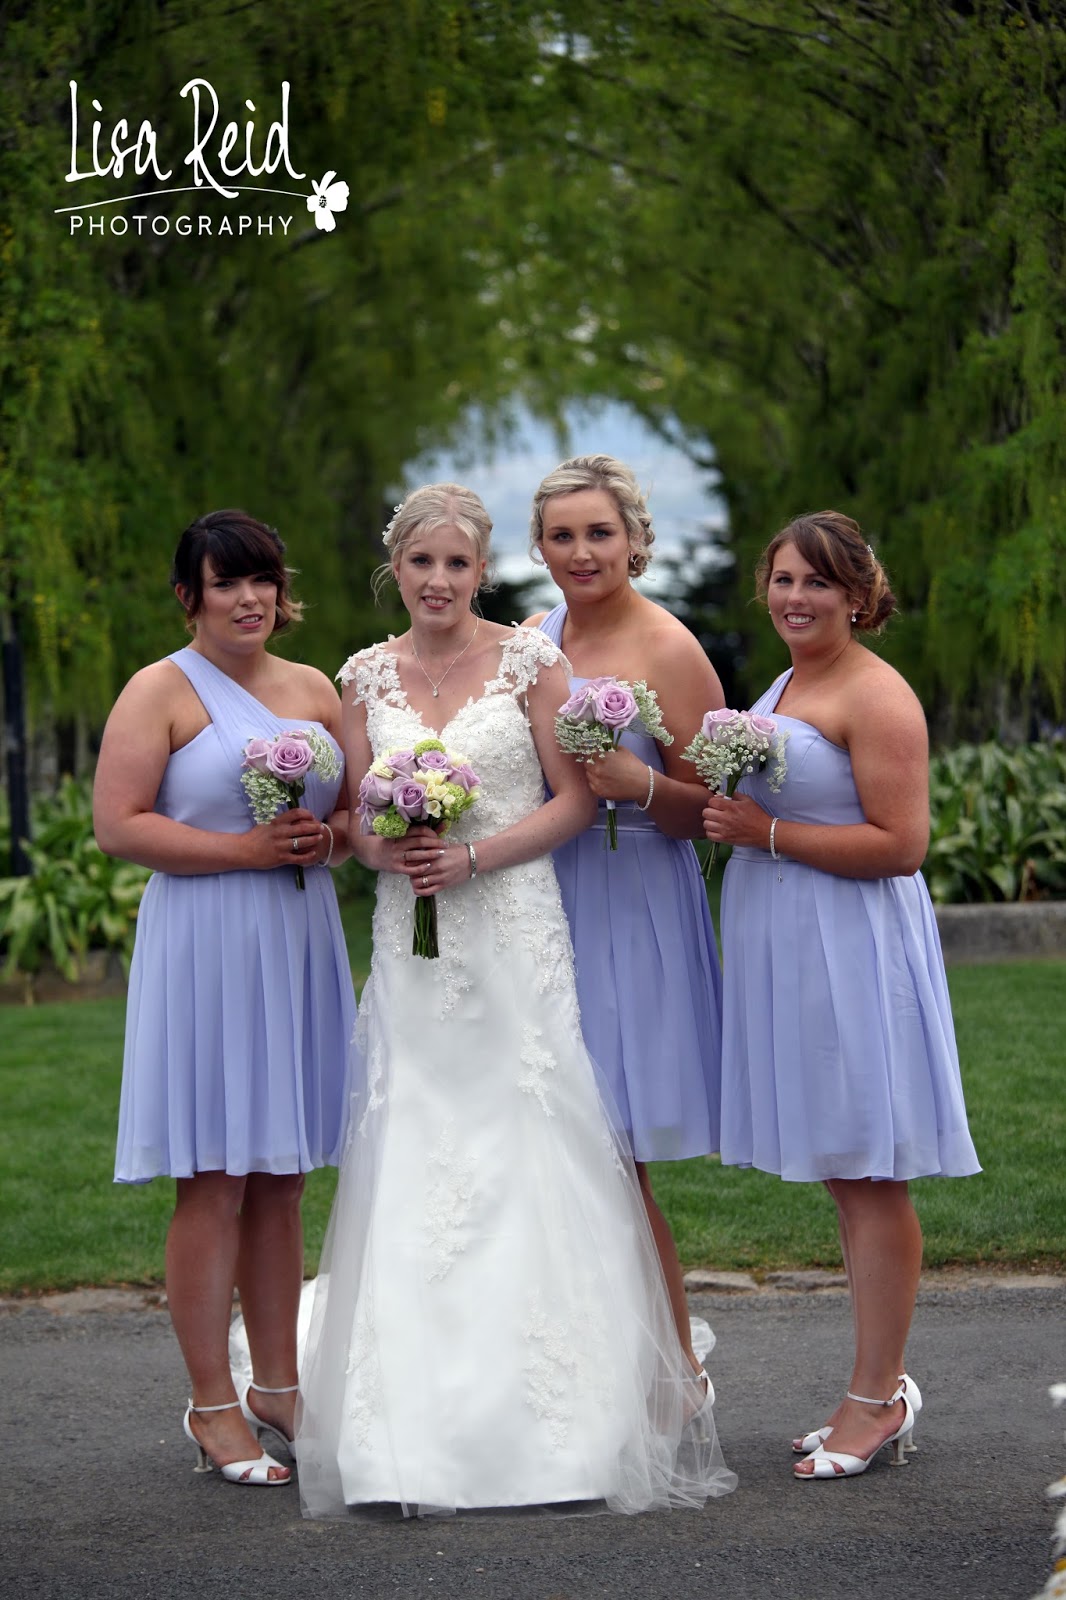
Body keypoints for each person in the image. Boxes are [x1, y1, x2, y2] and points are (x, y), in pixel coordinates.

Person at [295, 483, 736, 1517]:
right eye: (422, 563)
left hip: (515, 928)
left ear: (484, 569)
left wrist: (473, 856)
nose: (439, 580)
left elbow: (575, 799)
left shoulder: (533, 663)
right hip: (412, 944)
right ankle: (404, 1424)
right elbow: (353, 819)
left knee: (531, 1136)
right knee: (419, 1142)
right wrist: (384, 846)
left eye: (458, 563)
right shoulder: (362, 676)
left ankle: (565, 1420)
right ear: (395, 570)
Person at [701, 511, 980, 1481]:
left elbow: (901, 845)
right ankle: (870, 1385)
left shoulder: (876, 693)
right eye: (782, 579)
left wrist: (765, 835)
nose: (794, 597)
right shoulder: (784, 683)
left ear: (859, 595)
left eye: (817, 582)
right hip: (788, 943)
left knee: (869, 1171)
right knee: (843, 1174)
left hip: (851, 945)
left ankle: (879, 1398)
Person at [94, 509, 356, 1488]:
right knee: (215, 1176)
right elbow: (119, 825)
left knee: (283, 1173)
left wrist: (332, 838)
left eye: (263, 580)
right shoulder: (157, 690)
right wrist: (244, 850)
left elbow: (348, 821)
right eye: (227, 582)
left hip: (296, 937)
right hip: (205, 942)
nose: (249, 599)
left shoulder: (315, 689)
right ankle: (211, 1403)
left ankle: (278, 1385)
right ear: (189, 595)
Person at [525, 454, 726, 1383]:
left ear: (635, 540)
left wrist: (640, 784)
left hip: (633, 899)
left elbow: (713, 811)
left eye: (599, 533)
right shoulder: (533, 641)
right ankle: (574, 1361)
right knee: (550, 1141)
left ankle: (670, 1372)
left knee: (611, 1148)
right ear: (539, 547)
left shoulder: (670, 649)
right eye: (561, 536)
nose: (581, 552)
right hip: (541, 899)